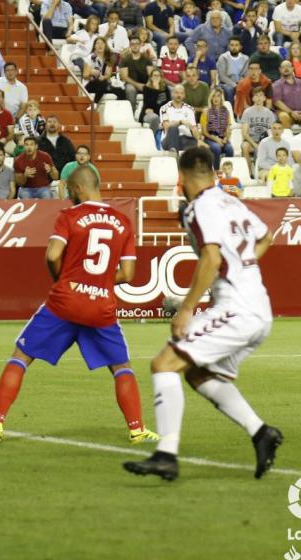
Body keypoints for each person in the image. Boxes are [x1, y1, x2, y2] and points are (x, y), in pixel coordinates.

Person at [123, 148, 282, 481]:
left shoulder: (199, 207)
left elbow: (209, 258)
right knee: (197, 374)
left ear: (181, 179)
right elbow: (266, 236)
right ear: (213, 174)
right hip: (258, 307)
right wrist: (242, 267)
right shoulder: (232, 201)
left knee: (163, 363)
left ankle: (166, 455)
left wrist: (187, 307)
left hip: (237, 308)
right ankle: (261, 433)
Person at [0, 165, 158, 446]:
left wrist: (64, 279)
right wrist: (101, 282)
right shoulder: (123, 221)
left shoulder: (70, 216)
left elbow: (52, 254)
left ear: (80, 188)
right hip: (100, 306)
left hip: (65, 301)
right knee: (121, 366)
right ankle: (137, 429)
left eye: (71, 189)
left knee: (20, 357)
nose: (70, 195)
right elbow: (129, 274)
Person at [159, 84, 202, 154]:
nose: (179, 95)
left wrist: (198, 139)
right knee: (173, 128)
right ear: (172, 94)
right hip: (168, 139)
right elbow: (167, 127)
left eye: (181, 93)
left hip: (185, 139)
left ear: (184, 95)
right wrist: (180, 122)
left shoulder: (190, 109)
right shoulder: (164, 108)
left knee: (195, 143)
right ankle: (174, 156)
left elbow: (194, 128)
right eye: (177, 93)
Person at [240, 87, 275, 172]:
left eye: (261, 95)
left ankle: (264, 169)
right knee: (245, 146)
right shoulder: (247, 112)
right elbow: (245, 133)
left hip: (264, 140)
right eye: (256, 95)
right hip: (251, 141)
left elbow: (273, 131)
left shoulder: (269, 113)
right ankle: (249, 172)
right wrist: (255, 145)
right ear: (253, 98)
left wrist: (262, 144)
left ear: (264, 98)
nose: (259, 98)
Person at [84, 38, 126, 104]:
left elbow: (108, 75)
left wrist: (103, 77)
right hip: (91, 84)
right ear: (94, 46)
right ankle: (94, 104)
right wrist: (92, 72)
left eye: (102, 43)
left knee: (121, 91)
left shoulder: (108, 58)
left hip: (104, 84)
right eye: (97, 43)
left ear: (105, 45)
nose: (100, 45)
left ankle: (118, 111)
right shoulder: (90, 58)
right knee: (102, 82)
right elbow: (85, 76)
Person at [200, 87, 232, 169]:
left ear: (221, 98)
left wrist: (225, 139)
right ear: (211, 98)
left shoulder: (226, 111)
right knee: (216, 148)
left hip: (222, 137)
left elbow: (228, 128)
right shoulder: (206, 111)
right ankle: (217, 171)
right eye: (213, 96)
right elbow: (204, 132)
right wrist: (216, 139)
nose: (215, 98)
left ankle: (227, 171)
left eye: (218, 96)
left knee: (229, 149)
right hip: (210, 138)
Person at [119, 36, 153, 113]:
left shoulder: (146, 58)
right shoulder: (125, 59)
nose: (135, 46)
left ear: (140, 45)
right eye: (132, 44)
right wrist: (137, 85)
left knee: (152, 88)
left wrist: (147, 84)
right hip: (130, 83)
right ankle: (131, 114)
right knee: (130, 90)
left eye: (137, 43)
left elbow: (151, 74)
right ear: (130, 46)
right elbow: (124, 77)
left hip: (145, 83)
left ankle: (148, 113)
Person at [216, 36, 248, 103]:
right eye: (232, 45)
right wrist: (235, 85)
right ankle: (231, 110)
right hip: (226, 83)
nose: (234, 47)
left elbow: (246, 75)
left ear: (240, 47)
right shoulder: (223, 58)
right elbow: (222, 76)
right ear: (228, 46)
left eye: (236, 45)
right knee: (229, 89)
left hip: (240, 82)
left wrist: (240, 84)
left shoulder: (245, 59)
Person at [272, 60, 301, 130]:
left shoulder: (300, 82)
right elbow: (277, 101)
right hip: (286, 112)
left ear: (292, 68)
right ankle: (287, 138)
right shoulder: (277, 84)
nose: (286, 68)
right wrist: (291, 112)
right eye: (283, 67)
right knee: (283, 116)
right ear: (280, 70)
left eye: (288, 66)